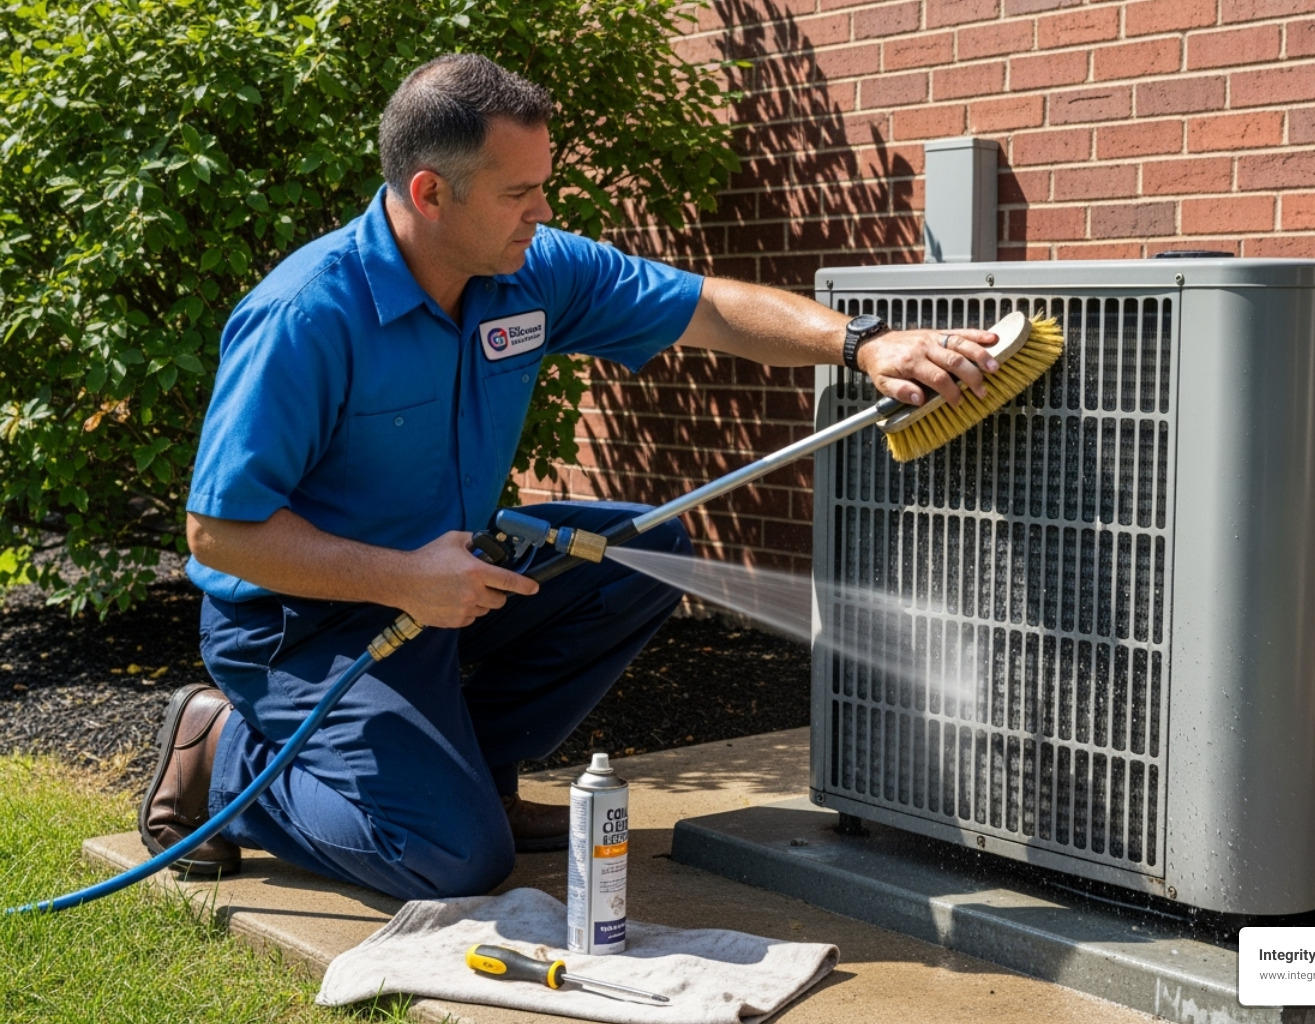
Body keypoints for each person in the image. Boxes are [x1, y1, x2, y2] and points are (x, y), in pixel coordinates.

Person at [139, 53, 1003, 901]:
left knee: (639, 548)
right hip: (299, 625)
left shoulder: (530, 271)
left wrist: (862, 344)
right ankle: (223, 759)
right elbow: (221, 532)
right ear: (431, 193)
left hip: (447, 578)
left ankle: (471, 773)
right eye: (519, 192)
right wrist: (404, 579)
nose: (542, 210)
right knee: (450, 860)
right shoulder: (308, 314)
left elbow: (705, 307)